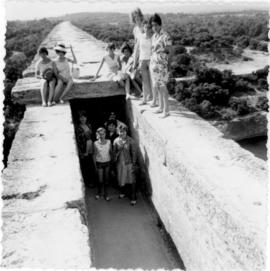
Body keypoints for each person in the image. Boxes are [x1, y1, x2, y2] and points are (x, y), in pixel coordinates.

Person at [149, 13, 173, 118]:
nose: (154, 27)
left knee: (163, 87)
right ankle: (161, 107)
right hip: (154, 64)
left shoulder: (165, 36)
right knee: (157, 86)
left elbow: (170, 51)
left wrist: (169, 65)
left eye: (155, 25)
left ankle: (166, 111)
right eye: (152, 25)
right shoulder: (154, 36)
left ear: (160, 24)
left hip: (162, 65)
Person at [113, 125, 138, 206]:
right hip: (120, 163)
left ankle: (133, 197)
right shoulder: (116, 141)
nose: (121, 133)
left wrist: (134, 164)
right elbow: (114, 152)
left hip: (129, 163)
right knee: (121, 178)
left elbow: (134, 153)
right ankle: (123, 193)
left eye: (123, 131)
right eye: (120, 131)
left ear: (126, 132)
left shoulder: (131, 141)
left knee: (131, 180)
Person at [134, 19, 153, 105]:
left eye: (149, 27)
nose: (147, 29)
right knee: (144, 81)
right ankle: (145, 99)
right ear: (143, 27)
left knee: (152, 80)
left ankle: (153, 98)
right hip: (142, 60)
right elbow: (137, 50)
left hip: (151, 60)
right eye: (145, 27)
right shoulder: (140, 36)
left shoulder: (154, 37)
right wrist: (135, 62)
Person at [75, 111, 96, 188]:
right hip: (84, 148)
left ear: (86, 117)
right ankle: (88, 182)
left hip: (90, 146)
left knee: (92, 164)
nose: (83, 118)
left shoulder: (89, 125)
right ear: (79, 119)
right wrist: (81, 152)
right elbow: (78, 140)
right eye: (81, 117)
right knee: (86, 165)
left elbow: (93, 136)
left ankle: (94, 181)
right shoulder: (78, 128)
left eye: (84, 116)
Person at [93, 127, 112, 201]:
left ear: (105, 134)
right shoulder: (95, 143)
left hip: (107, 162)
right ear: (98, 134)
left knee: (106, 179)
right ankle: (99, 192)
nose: (101, 135)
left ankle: (106, 194)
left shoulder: (109, 142)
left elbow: (111, 152)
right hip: (99, 163)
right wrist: (95, 165)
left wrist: (113, 161)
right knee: (100, 180)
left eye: (103, 133)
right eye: (100, 134)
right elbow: (94, 155)